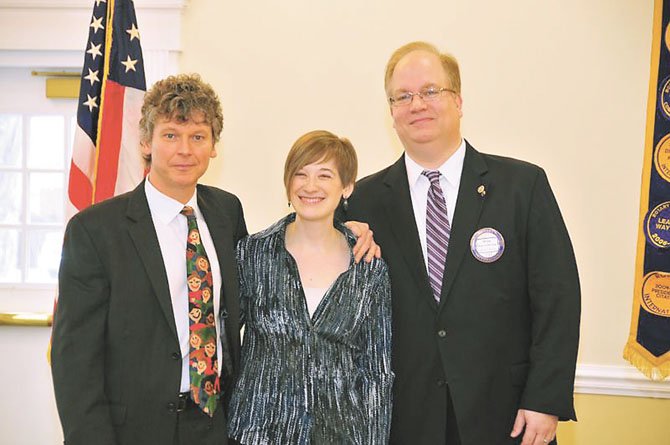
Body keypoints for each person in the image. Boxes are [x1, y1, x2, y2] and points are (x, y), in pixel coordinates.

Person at [343, 41, 581, 445]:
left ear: (458, 100)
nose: (417, 104)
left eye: (431, 91)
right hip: (404, 420)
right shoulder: (364, 202)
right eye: (403, 96)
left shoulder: (521, 187)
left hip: (507, 416)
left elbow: (557, 297)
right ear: (392, 112)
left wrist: (545, 399)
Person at [50, 73, 247, 445]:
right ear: (146, 141)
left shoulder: (227, 213)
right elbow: (75, 360)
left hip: (214, 425)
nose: (185, 149)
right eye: (171, 134)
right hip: (131, 430)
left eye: (198, 137)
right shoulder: (94, 230)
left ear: (214, 146)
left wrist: (343, 226)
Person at [227, 130, 394, 444]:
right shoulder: (252, 254)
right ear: (288, 184)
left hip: (340, 434)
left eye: (325, 175)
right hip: (258, 433)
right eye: (300, 174)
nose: (310, 186)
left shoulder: (369, 269)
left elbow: (377, 372)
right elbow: (223, 338)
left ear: (346, 187)